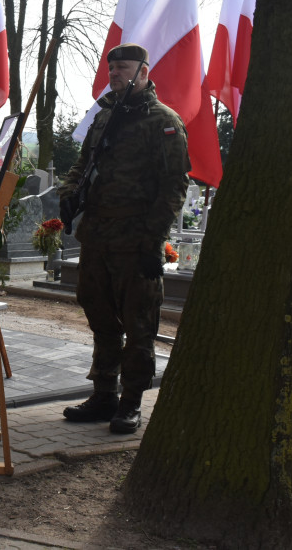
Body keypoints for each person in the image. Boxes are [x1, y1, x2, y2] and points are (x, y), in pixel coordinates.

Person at [58, 43, 190, 434]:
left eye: (124, 68)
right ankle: (103, 396)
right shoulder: (105, 117)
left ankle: (131, 403)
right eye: (112, 68)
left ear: (144, 72)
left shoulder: (163, 122)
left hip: (137, 239)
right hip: (97, 235)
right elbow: (83, 162)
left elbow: (174, 186)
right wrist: (69, 194)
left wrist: (154, 241)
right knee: (100, 317)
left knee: (140, 325)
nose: (115, 74)